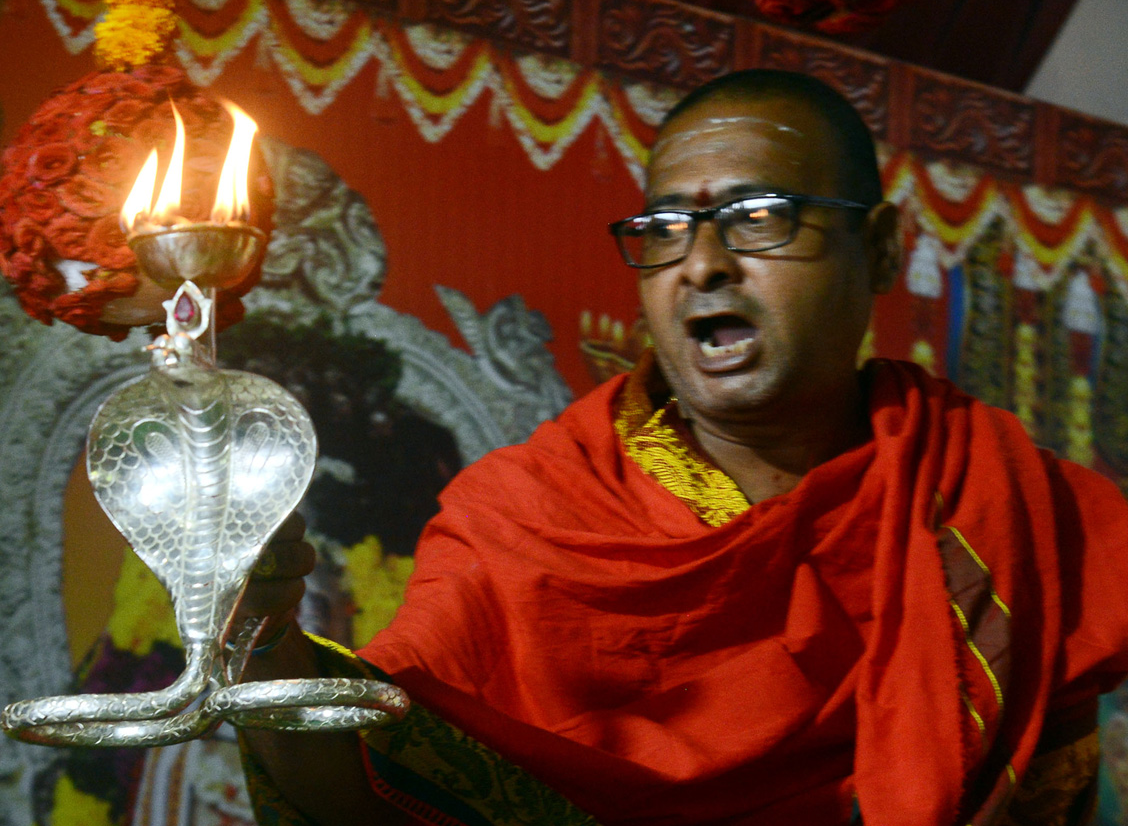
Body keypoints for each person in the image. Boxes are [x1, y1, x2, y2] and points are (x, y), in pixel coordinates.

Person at [233, 69, 1128, 825]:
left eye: (759, 216)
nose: (702, 265)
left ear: (883, 248)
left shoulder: (1000, 498)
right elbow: (371, 773)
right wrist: (260, 637)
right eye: (664, 232)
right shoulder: (530, 515)